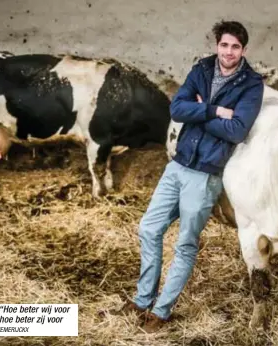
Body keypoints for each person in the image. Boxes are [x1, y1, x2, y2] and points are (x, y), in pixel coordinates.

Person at [113, 20, 265, 333]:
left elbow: (237, 131)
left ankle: (162, 310)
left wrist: (201, 110)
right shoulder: (203, 69)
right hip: (178, 165)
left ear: (244, 50)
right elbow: (178, 110)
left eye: (235, 47)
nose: (228, 52)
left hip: (206, 174)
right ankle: (143, 300)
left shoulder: (251, 84)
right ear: (217, 45)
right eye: (224, 45)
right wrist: (213, 112)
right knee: (149, 228)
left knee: (185, 244)